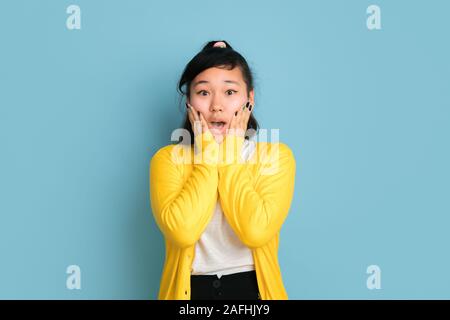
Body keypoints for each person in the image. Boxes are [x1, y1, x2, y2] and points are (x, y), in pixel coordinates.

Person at [149, 40, 296, 300]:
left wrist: (229, 155)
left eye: (229, 92)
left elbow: (255, 231)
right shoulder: (168, 159)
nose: (217, 105)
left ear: (249, 98)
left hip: (254, 294)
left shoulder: (275, 157)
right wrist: (207, 155)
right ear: (189, 101)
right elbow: (183, 232)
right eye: (204, 92)